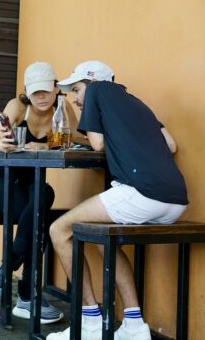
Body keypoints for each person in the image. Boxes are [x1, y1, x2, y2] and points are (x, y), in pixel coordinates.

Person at [46, 61, 187, 340]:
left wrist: (72, 137)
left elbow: (97, 144)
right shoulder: (137, 104)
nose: (74, 99)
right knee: (100, 235)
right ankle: (134, 326)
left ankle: (89, 324)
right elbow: (171, 145)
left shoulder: (99, 89)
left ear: (93, 81)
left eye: (76, 89)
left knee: (58, 230)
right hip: (176, 201)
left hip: (141, 193)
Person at [0, 61, 84, 324]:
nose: (41, 97)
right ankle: (26, 297)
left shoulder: (62, 108)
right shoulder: (17, 107)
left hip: (31, 187)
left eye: (46, 91)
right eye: (35, 92)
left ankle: (5, 275)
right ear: (27, 91)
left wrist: (49, 146)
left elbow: (74, 138)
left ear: (55, 88)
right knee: (41, 210)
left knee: (42, 202)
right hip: (2, 185)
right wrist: (2, 141)